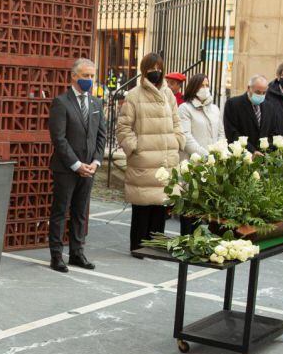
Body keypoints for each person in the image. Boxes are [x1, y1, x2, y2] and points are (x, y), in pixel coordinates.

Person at [117, 52, 184, 253]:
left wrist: (177, 140)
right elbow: (123, 128)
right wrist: (135, 148)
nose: (156, 72)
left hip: (165, 159)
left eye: (159, 68)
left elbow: (176, 121)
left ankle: (155, 247)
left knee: (161, 206)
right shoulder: (134, 95)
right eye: (151, 69)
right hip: (144, 160)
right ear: (144, 71)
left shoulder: (168, 94)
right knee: (142, 207)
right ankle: (138, 247)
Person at [47, 58, 104, 273]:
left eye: (92, 76)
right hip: (66, 168)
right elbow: (59, 138)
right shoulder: (61, 102)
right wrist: (76, 164)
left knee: (81, 212)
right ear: (74, 76)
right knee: (61, 211)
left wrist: (95, 163)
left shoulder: (97, 103)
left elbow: (101, 136)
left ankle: (77, 253)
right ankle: (56, 255)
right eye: (85, 76)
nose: (89, 80)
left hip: (89, 168)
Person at [224, 62, 283, 152]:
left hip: (268, 154)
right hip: (242, 153)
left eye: (263, 93)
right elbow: (232, 132)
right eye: (258, 92)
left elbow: (273, 131)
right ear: (248, 88)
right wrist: (251, 151)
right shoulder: (233, 104)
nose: (261, 95)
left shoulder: (270, 106)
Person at [177, 73, 224, 235]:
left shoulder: (215, 109)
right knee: (190, 207)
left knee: (206, 208)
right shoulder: (185, 108)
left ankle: (202, 242)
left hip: (212, 166)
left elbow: (221, 134)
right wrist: (205, 155)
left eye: (207, 85)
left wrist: (218, 153)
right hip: (193, 164)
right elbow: (186, 137)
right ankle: (187, 240)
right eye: (201, 85)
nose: (205, 89)